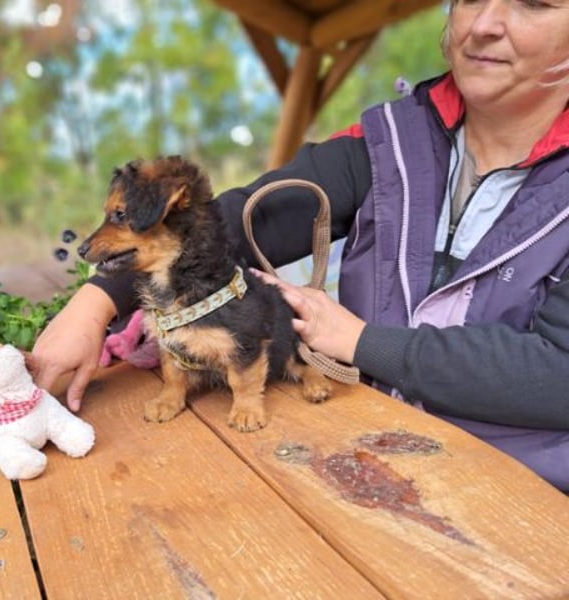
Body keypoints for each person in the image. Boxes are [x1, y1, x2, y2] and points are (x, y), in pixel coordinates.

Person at [30, 0, 569, 491]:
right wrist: (94, 304)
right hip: (361, 443)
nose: (482, 25)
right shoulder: (389, 140)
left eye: (535, 2)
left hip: (526, 490)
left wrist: (361, 342)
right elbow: (229, 222)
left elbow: (558, 378)